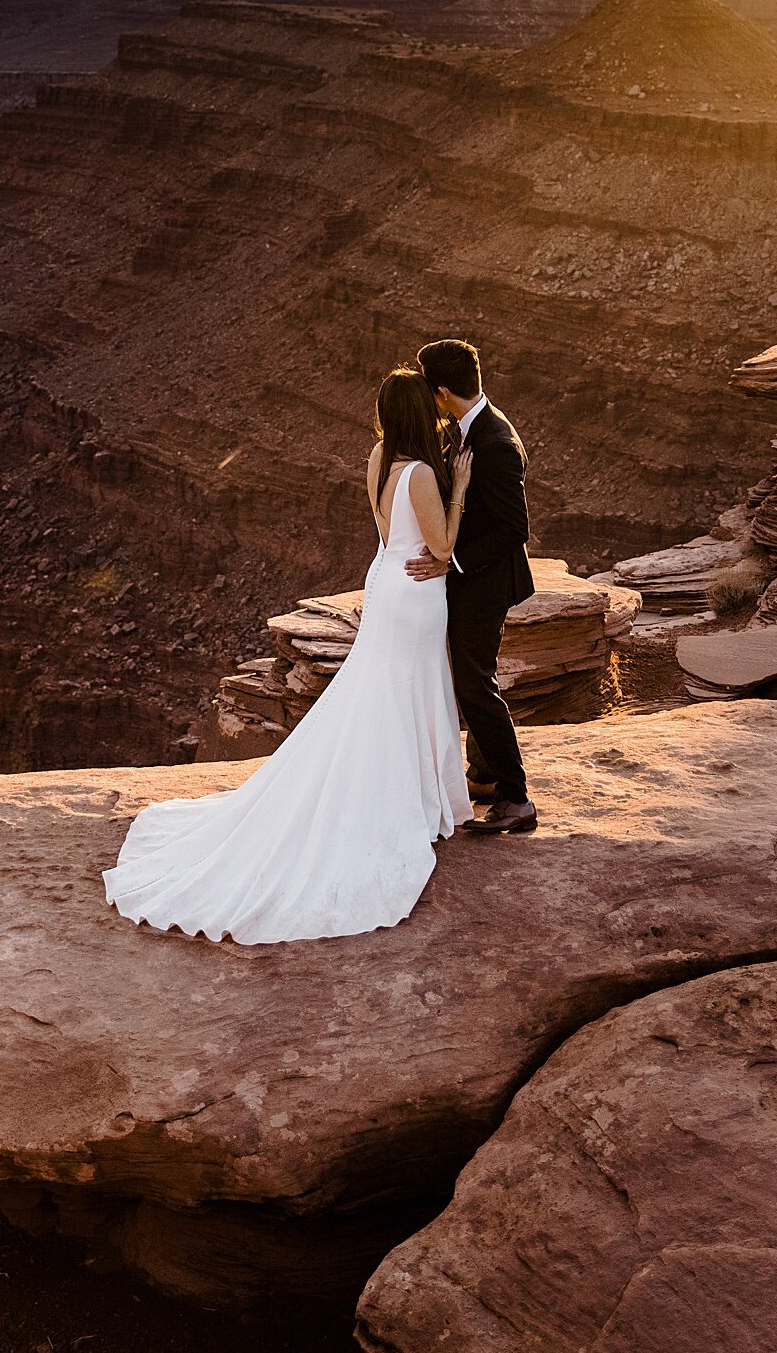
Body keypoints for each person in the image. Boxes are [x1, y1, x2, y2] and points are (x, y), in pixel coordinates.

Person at [102, 367, 474, 943]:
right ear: (419, 413)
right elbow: (442, 547)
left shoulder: (378, 459)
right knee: (414, 689)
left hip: (385, 580)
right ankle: (419, 801)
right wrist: (463, 492)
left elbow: (388, 531)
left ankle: (414, 795)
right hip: (415, 592)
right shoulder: (422, 472)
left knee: (382, 690)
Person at [408, 338, 537, 835]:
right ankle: (483, 774)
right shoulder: (468, 427)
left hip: (485, 581)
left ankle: (516, 796)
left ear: (442, 391)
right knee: (475, 675)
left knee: (473, 681)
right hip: (473, 577)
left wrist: (452, 562)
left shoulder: (494, 443)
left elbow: (514, 529)